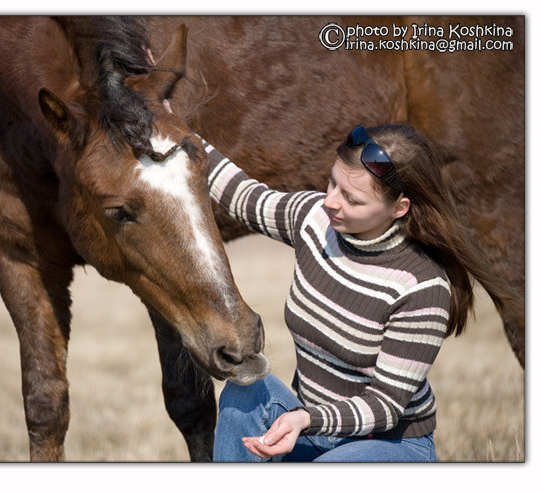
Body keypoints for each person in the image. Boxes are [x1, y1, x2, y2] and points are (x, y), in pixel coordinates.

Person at [199, 123, 509, 462]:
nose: (331, 201)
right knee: (244, 390)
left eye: (352, 199)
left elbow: (385, 406)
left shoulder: (421, 287)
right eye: (333, 182)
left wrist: (307, 418)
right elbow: (245, 197)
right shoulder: (314, 219)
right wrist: (173, 130)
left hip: (391, 444)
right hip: (312, 430)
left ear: (399, 208)